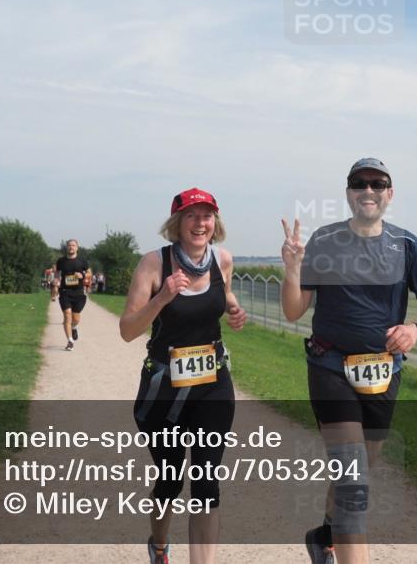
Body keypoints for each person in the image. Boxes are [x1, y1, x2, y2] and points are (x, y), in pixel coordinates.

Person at [281, 158, 417, 564]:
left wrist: (415, 330)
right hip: (330, 367)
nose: (368, 190)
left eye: (377, 183)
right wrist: (293, 267)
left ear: (390, 193)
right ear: (348, 193)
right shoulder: (325, 240)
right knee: (353, 480)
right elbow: (294, 310)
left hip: (384, 373)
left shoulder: (406, 245)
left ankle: (324, 535)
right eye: (359, 183)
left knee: (358, 470)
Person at [120, 187, 247, 564]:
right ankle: (159, 544)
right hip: (165, 387)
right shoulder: (153, 264)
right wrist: (162, 298)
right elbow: (127, 330)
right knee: (170, 480)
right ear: (176, 223)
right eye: (191, 215)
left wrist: (235, 311)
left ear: (215, 222)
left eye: (207, 215)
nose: (200, 223)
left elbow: (226, 297)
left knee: (206, 480)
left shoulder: (223, 260)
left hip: (212, 384)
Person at [53, 239, 89, 351]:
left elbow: (89, 273)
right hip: (65, 292)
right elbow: (57, 274)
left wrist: (82, 275)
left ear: (77, 248)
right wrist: (56, 281)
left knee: (76, 318)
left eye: (73, 245)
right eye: (69, 245)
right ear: (66, 247)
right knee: (67, 315)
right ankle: (70, 341)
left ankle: (74, 327)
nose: (71, 247)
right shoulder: (61, 261)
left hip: (78, 293)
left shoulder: (82, 261)